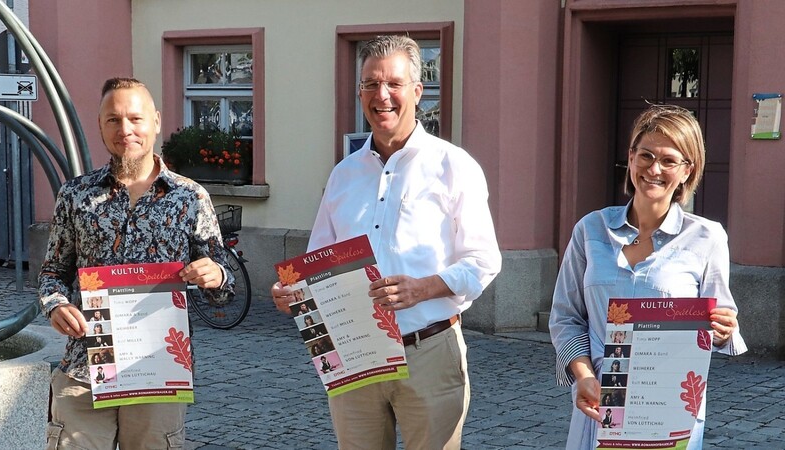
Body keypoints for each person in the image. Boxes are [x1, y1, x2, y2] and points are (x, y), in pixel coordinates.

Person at [271, 35, 501, 449]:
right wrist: (293, 290)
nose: (382, 96)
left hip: (428, 348)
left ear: (417, 91)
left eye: (394, 83)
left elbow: (483, 260)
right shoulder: (343, 174)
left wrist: (424, 287)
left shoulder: (453, 165)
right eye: (370, 84)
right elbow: (318, 262)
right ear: (360, 91)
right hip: (355, 353)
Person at [38, 77, 233, 450]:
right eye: (113, 120)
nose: (125, 129)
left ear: (156, 121)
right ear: (99, 126)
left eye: (135, 118)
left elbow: (226, 291)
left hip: (157, 371)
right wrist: (56, 305)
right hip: (84, 368)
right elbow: (52, 274)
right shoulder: (75, 195)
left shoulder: (190, 197)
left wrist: (216, 275)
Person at [549, 104, 747, 450]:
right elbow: (566, 318)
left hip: (667, 413)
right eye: (646, 155)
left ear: (688, 170)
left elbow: (721, 325)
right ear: (630, 157)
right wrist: (584, 376)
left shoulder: (707, 237)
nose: (654, 169)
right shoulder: (590, 230)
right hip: (599, 404)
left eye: (669, 160)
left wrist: (724, 328)